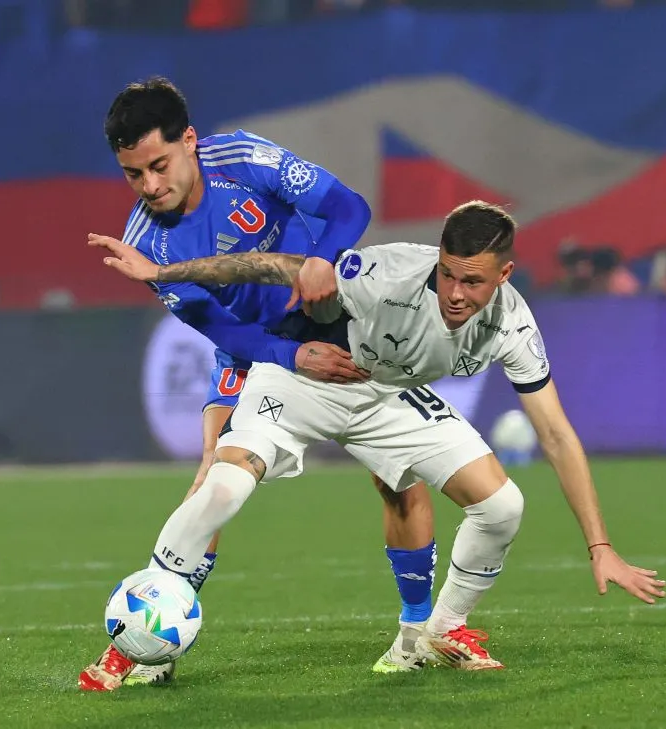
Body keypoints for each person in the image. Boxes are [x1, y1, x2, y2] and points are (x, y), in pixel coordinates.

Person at [90, 200, 666, 671]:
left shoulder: (512, 325)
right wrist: (162, 272)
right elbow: (280, 266)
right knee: (222, 489)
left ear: (505, 276)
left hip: (384, 395)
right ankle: (134, 645)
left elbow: (557, 435)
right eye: (447, 273)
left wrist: (600, 546)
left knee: (503, 505)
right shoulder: (390, 272)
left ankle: (439, 635)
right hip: (305, 378)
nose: (455, 292)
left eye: (472, 281)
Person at [78, 77, 438, 691]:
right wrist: (295, 357)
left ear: (188, 141)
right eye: (134, 175)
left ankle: (419, 631)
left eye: (159, 166)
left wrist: (323, 261)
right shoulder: (145, 246)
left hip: (339, 318)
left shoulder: (245, 159)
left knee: (395, 476)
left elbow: (349, 208)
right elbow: (224, 331)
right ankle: (146, 649)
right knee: (211, 485)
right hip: (257, 349)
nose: (150, 187)